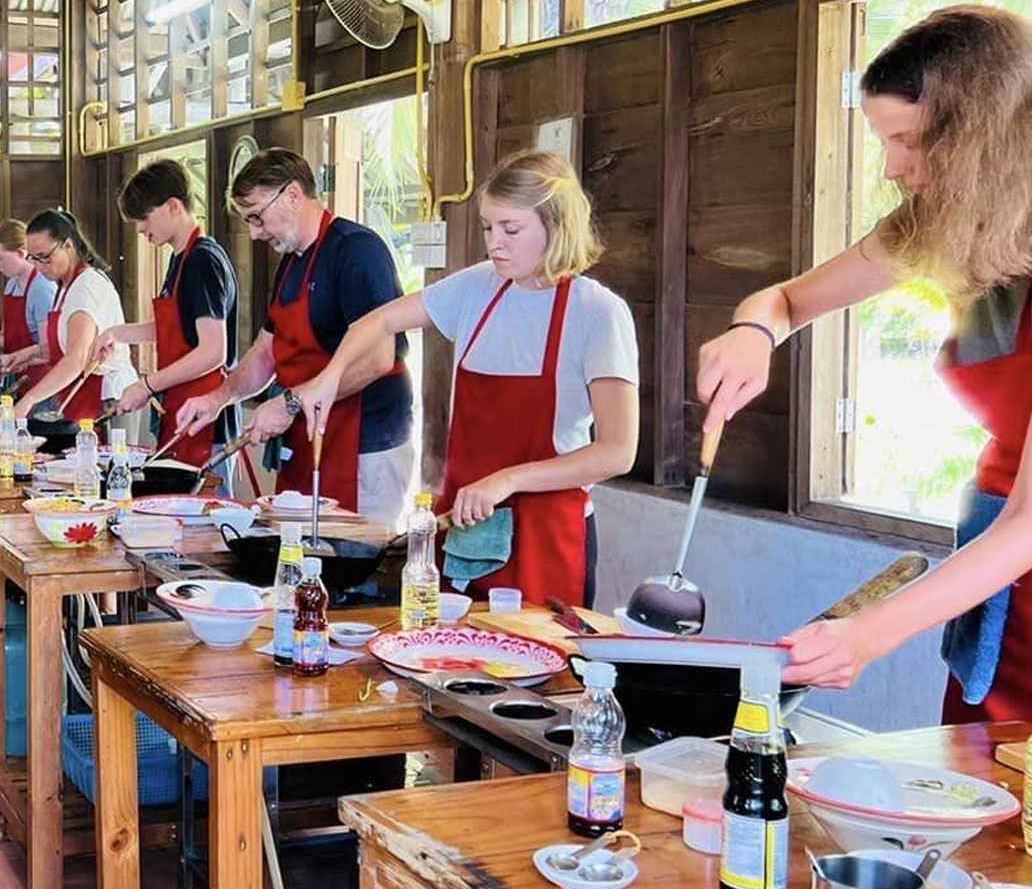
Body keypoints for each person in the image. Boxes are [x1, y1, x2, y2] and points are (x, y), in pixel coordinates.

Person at [698, 5, 1032, 712]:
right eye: (883, 141)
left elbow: (1027, 524)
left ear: (984, 133)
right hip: (994, 575)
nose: (892, 167)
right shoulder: (941, 222)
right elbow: (785, 300)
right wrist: (754, 333)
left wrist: (868, 634)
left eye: (907, 140)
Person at [299, 149, 638, 606]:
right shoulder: (479, 287)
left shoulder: (597, 312)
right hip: (463, 526)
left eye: (510, 229)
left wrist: (507, 480)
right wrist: (330, 376)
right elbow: (376, 322)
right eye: (487, 228)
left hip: (547, 536)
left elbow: (617, 452)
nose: (494, 243)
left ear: (556, 225)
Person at [173, 149, 415, 526]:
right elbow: (265, 352)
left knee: (353, 554)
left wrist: (288, 404)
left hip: (363, 442)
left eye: (257, 217)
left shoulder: (356, 251)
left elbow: (377, 359)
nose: (254, 233)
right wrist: (218, 398)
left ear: (292, 195)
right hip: (307, 434)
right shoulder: (291, 262)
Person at [92, 161, 238, 466]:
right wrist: (116, 333)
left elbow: (213, 351)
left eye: (144, 218)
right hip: (181, 406)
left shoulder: (203, 260)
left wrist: (146, 385)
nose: (140, 229)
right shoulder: (180, 259)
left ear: (173, 206)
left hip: (205, 421)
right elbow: (176, 329)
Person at [12, 209, 138, 425]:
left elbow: (76, 359)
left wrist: (29, 399)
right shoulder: (64, 286)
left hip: (109, 400)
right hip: (82, 395)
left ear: (68, 245)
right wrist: (21, 357)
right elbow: (63, 349)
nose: (39, 266)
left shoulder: (86, 287)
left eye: (45, 257)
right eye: (33, 259)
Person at [0, 218, 58, 408]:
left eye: (1, 257)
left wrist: (1, 361)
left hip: (41, 385)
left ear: (21, 253)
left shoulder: (42, 288)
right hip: (14, 381)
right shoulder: (12, 286)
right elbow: (12, 337)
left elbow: (48, 349)